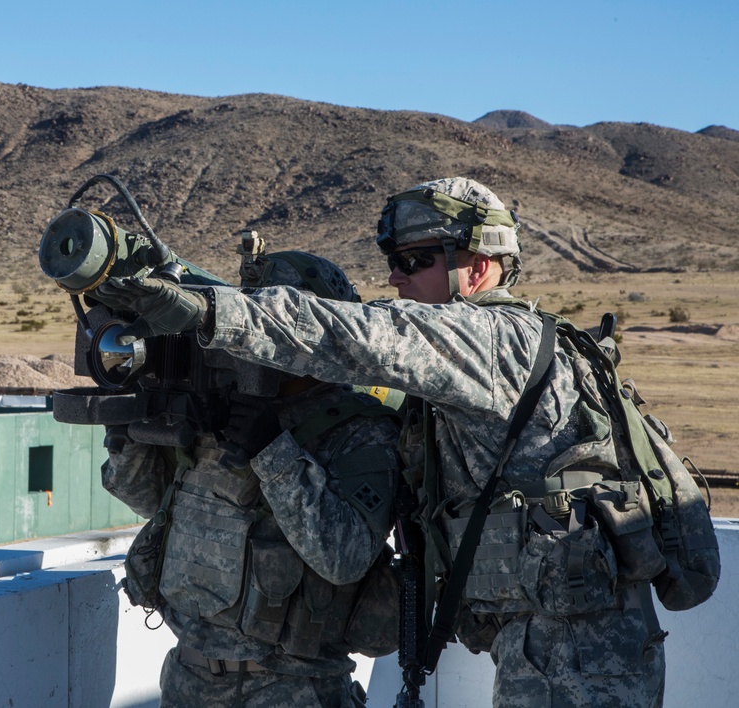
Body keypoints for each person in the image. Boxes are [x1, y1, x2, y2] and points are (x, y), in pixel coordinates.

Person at [98, 177, 668, 707]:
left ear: (478, 266)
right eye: (393, 262)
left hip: (578, 646)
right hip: (548, 636)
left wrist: (210, 310)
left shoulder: (495, 339)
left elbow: (370, 335)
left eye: (414, 261)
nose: (395, 278)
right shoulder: (473, 361)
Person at [100, 251, 403, 707]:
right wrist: (132, 426)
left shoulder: (359, 430)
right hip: (189, 676)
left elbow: (344, 558)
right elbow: (147, 500)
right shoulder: (223, 404)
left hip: (292, 687)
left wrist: (271, 450)